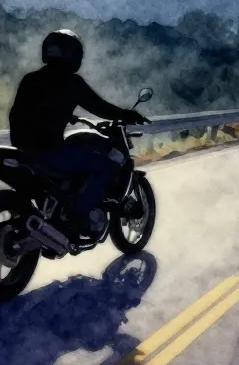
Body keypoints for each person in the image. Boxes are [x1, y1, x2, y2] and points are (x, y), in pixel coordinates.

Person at [9, 29, 151, 238]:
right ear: (73, 54)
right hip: (50, 151)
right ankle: (79, 215)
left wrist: (67, 116)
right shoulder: (70, 81)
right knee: (105, 166)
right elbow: (100, 107)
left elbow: (30, 111)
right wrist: (128, 115)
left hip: (22, 150)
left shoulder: (30, 79)